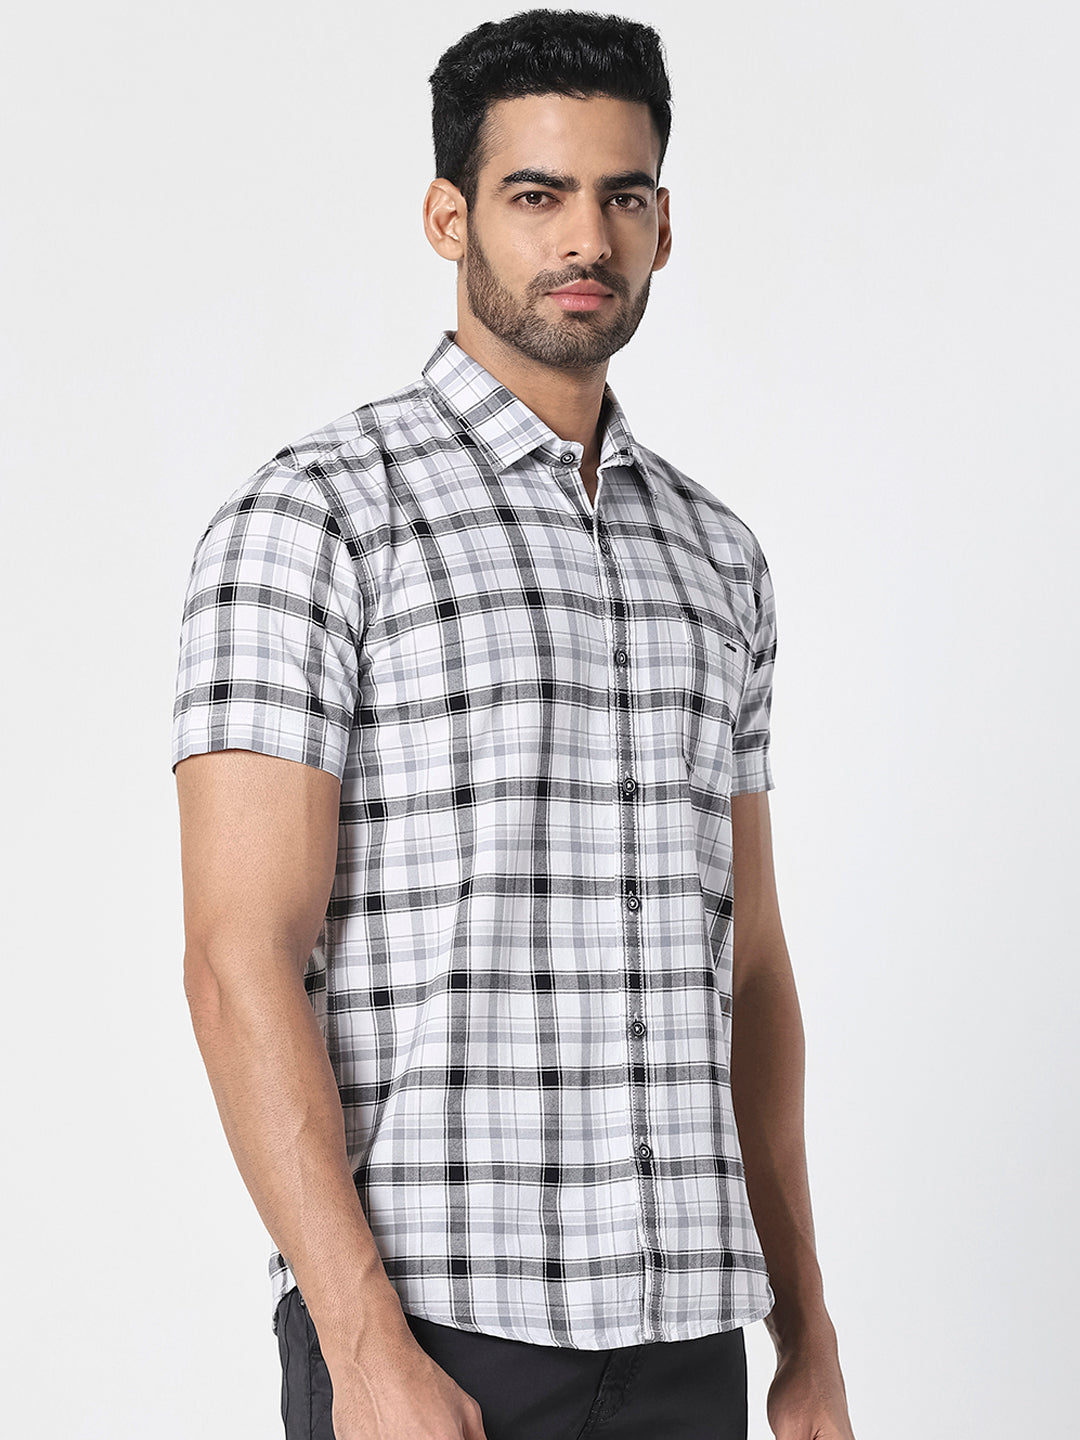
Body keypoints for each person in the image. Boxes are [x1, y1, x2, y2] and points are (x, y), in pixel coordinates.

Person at [172, 10, 856, 1439]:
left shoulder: (719, 558)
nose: (585, 239)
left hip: (689, 1343)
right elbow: (240, 961)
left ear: (663, 226)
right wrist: (364, 1351)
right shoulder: (316, 518)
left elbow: (749, 969)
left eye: (623, 196)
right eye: (536, 194)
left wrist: (805, 1333)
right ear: (450, 216)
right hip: (434, 1339)